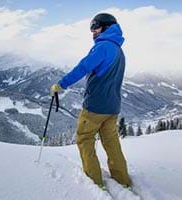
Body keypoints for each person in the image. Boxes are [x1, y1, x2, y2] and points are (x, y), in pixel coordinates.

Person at [50, 13, 131, 189]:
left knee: (84, 138)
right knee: (111, 142)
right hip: (113, 107)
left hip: (95, 107)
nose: (92, 31)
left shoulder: (102, 47)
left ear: (106, 27)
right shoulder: (119, 50)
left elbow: (83, 67)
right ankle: (123, 180)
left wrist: (60, 84)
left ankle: (94, 181)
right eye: (91, 27)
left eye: (95, 26)